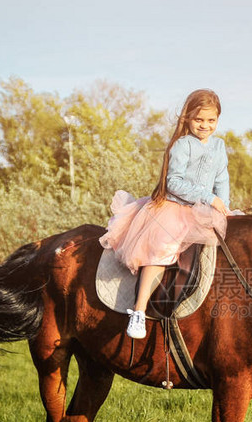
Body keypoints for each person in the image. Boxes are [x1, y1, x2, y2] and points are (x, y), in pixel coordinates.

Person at [99, 89, 231, 339]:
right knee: (159, 251)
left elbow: (222, 178)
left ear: (217, 120)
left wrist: (222, 204)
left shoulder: (219, 146)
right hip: (175, 207)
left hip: (206, 210)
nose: (205, 126)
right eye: (199, 120)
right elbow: (174, 182)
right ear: (188, 119)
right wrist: (208, 197)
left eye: (211, 120)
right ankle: (138, 311)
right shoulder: (182, 145)